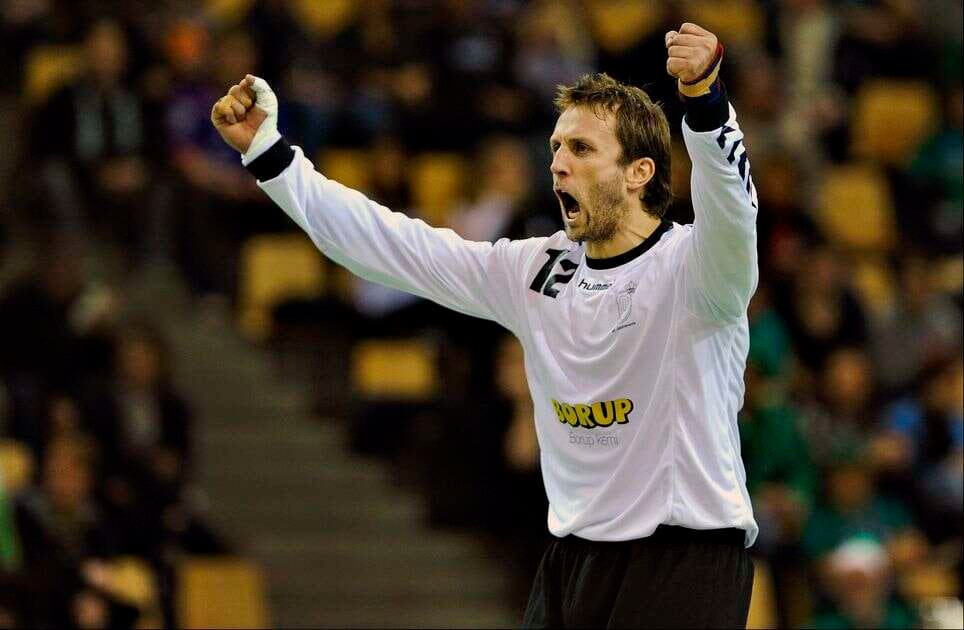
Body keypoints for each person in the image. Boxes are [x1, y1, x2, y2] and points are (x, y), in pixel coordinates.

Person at [212, 22, 758, 628]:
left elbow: (732, 212)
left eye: (581, 149)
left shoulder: (697, 270)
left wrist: (706, 104)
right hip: (574, 558)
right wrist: (271, 156)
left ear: (639, 172)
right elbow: (393, 246)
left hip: (684, 556)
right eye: (555, 147)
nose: (558, 165)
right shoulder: (537, 269)